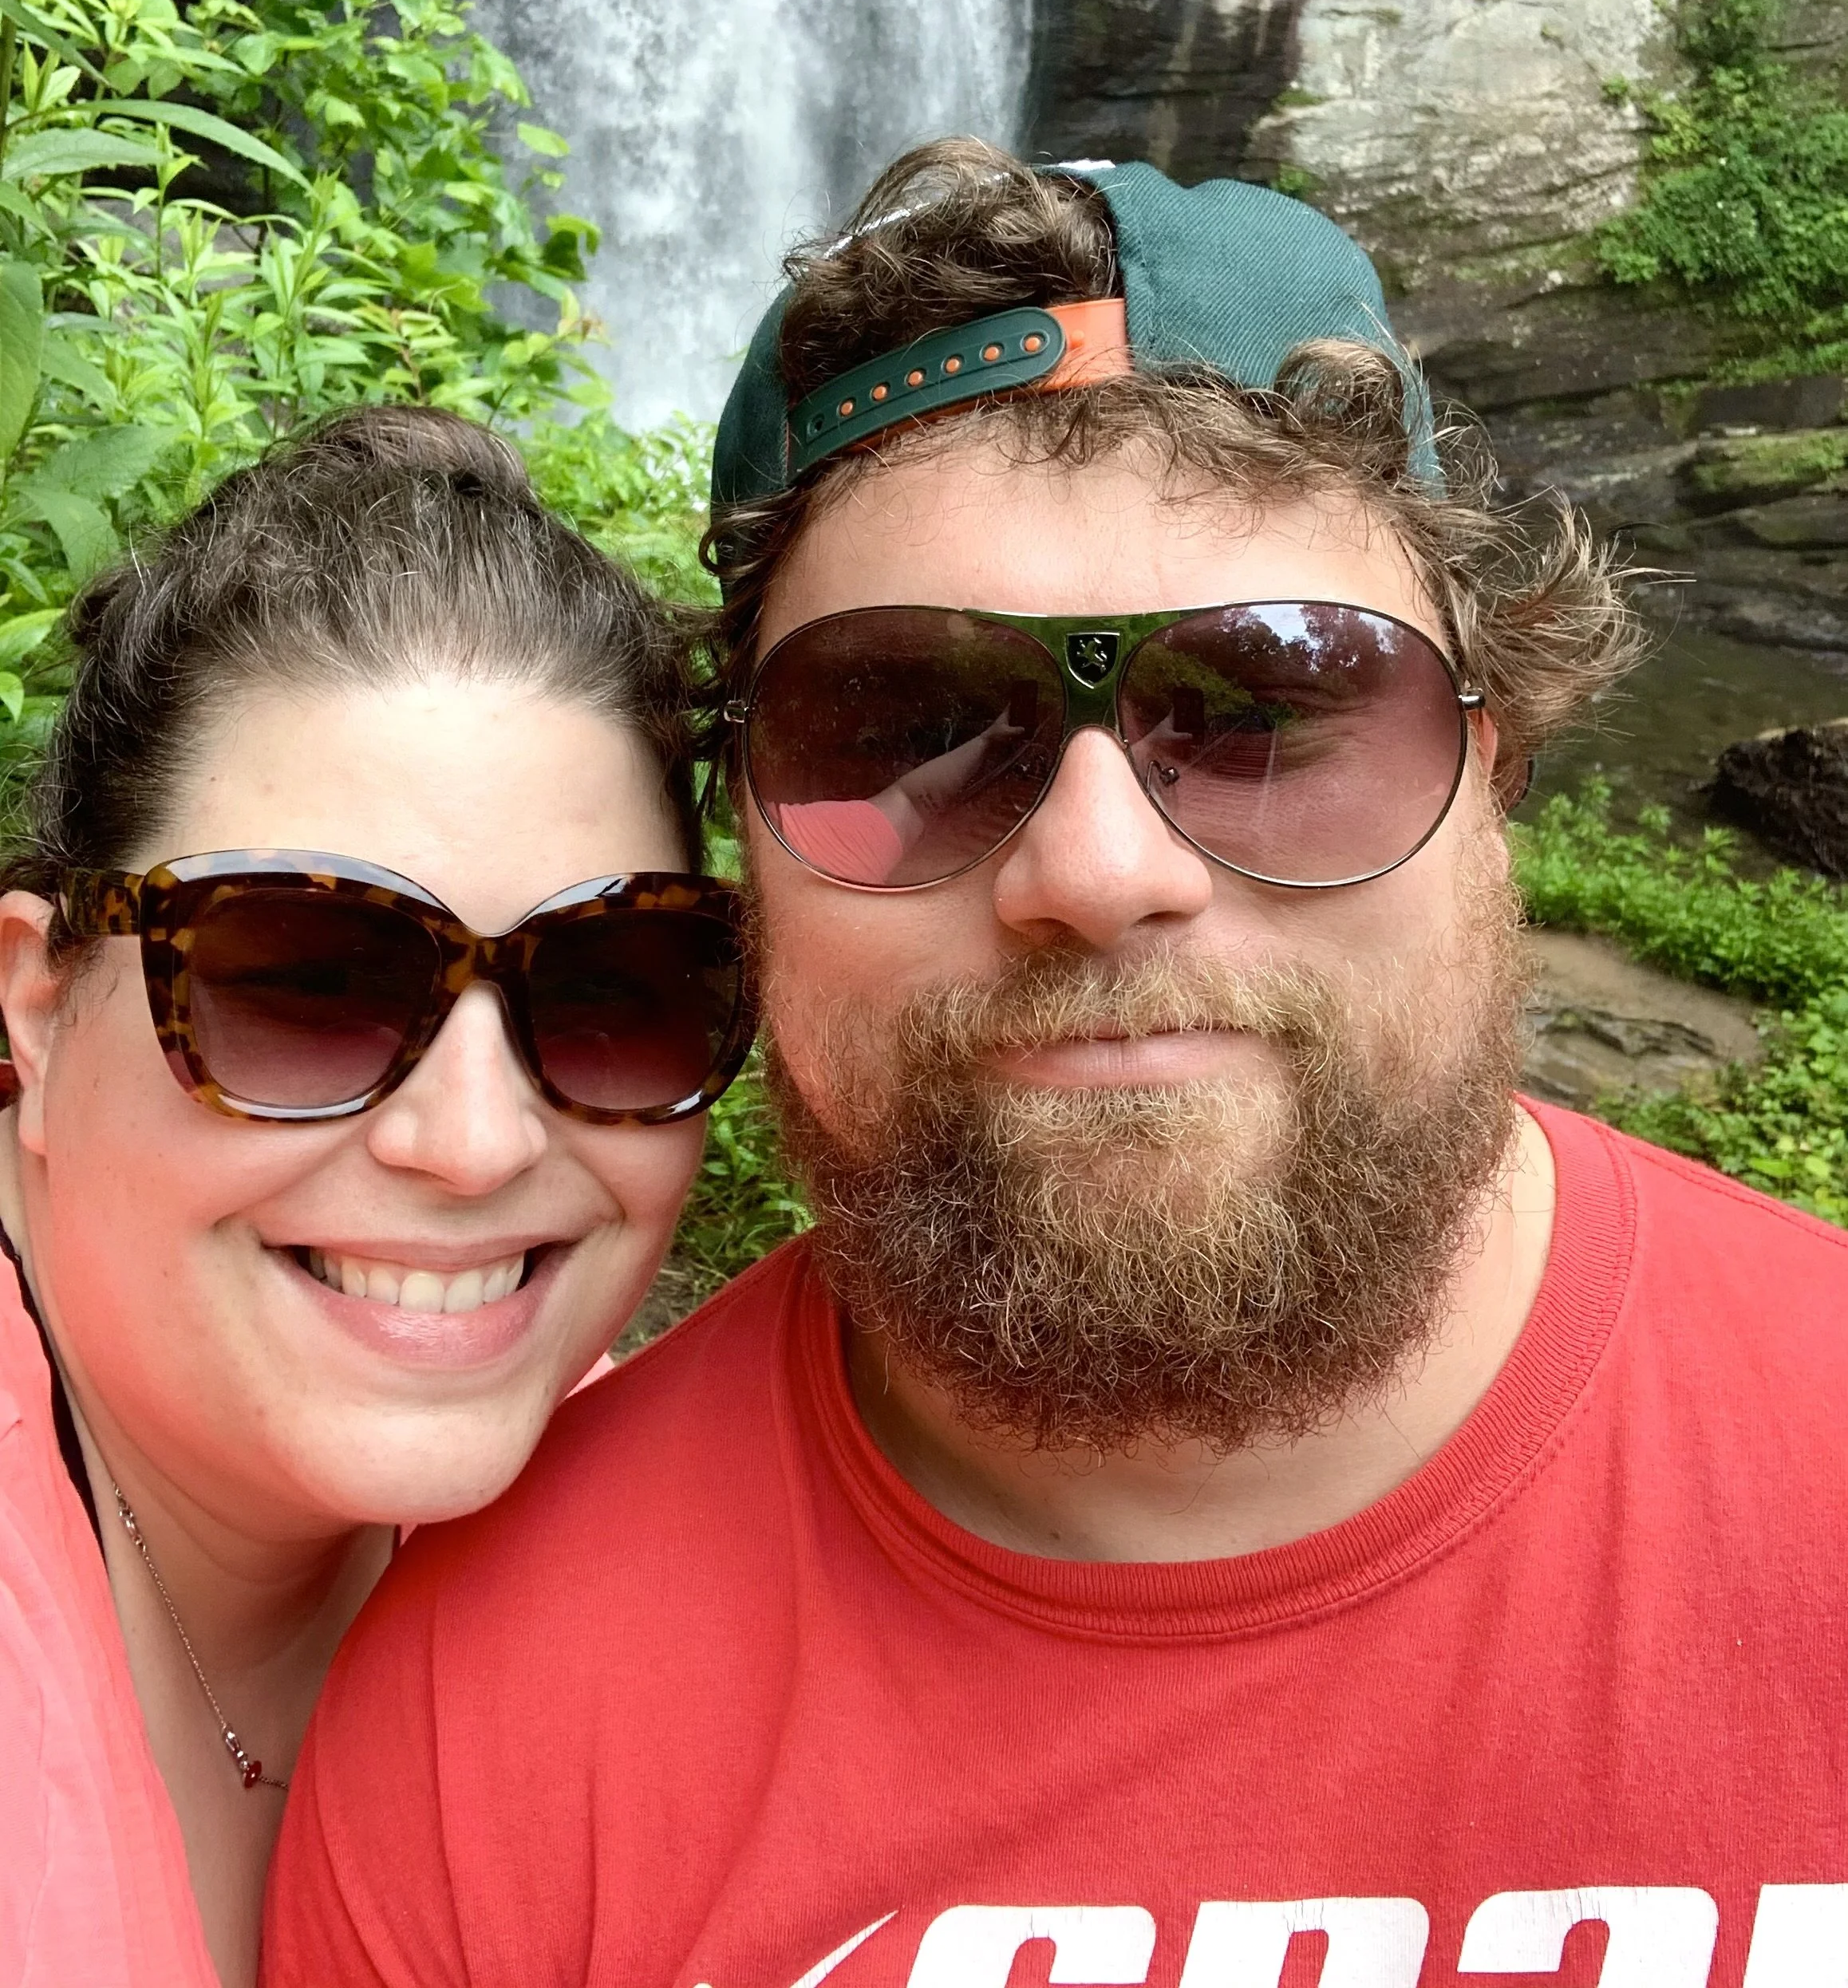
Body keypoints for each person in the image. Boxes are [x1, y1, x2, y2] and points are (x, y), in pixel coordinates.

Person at [263, 147, 1848, 1988]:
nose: (1096, 870)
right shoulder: (485, 1729)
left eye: (1267, 710)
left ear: (1496, 768)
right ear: (740, 848)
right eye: (910, 730)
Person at [0, 405, 751, 1988]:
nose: (474, 1142)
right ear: (40, 1004)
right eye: (305, 981)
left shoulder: (633, 1510)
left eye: (608, 986)